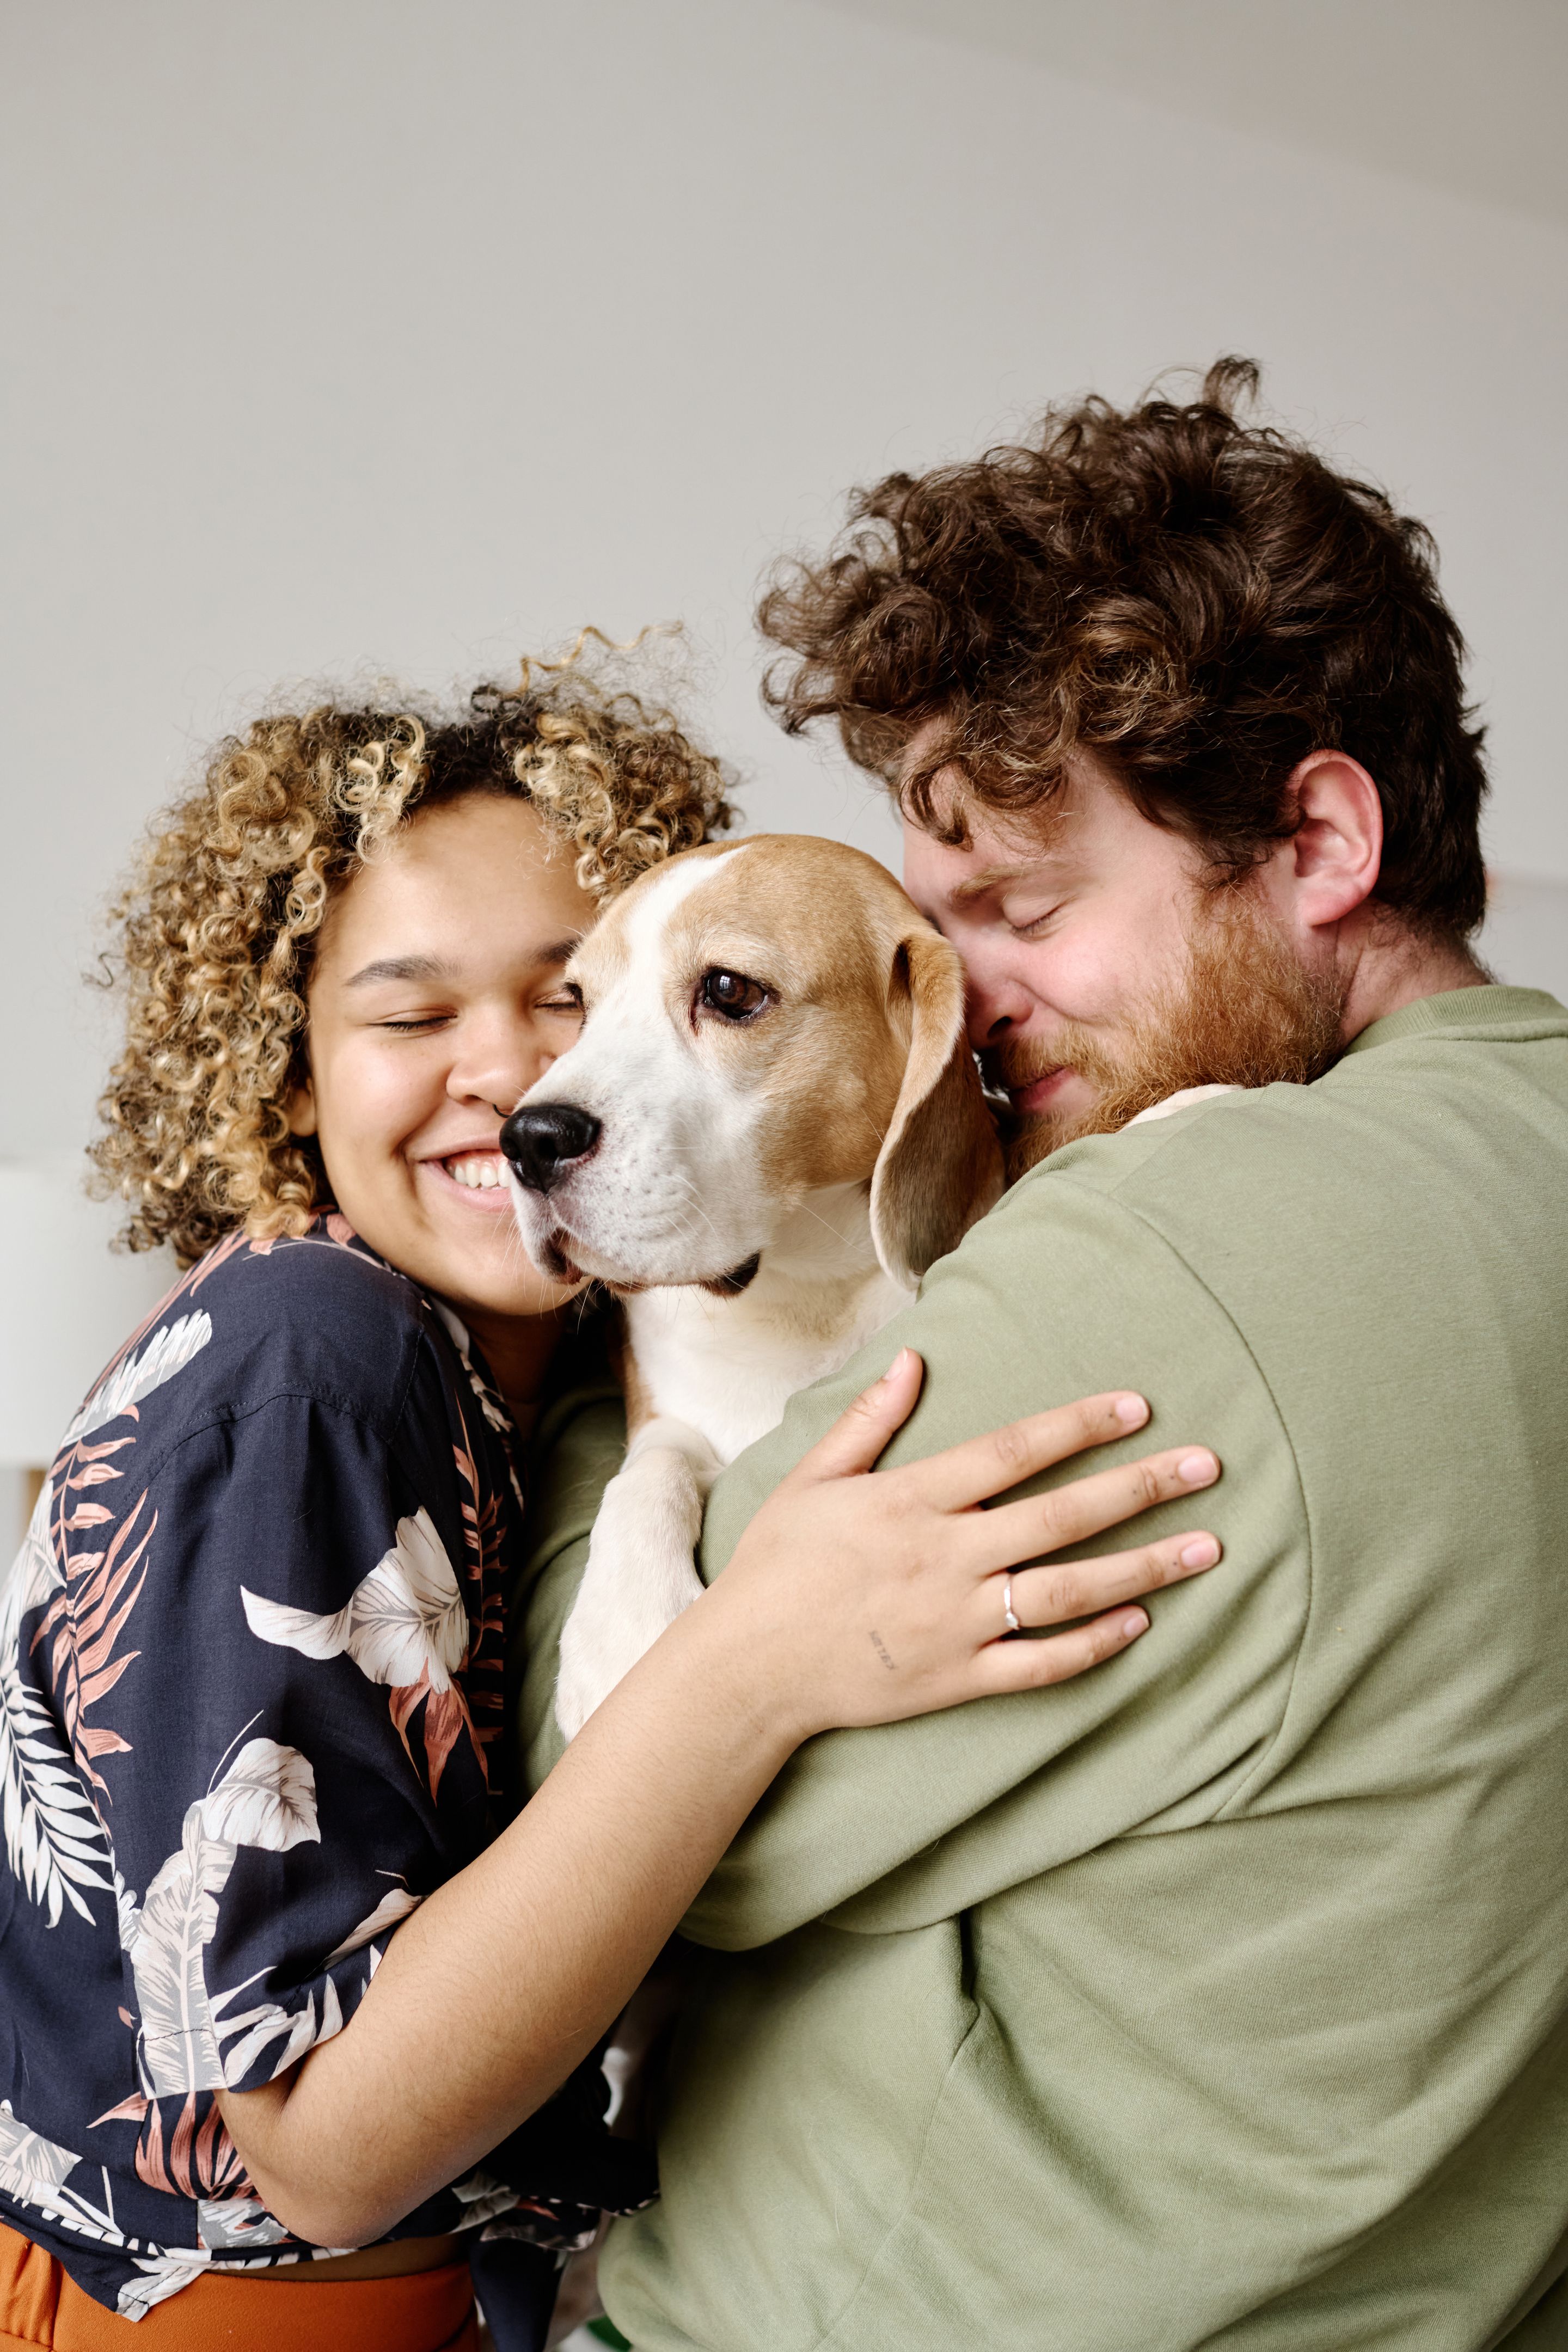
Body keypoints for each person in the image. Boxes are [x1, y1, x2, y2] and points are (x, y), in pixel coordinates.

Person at [517, 362, 1568, 2350]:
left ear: (1318, 838)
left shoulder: (1190, 1232)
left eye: (1022, 908)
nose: (965, 1005)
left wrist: (599, 1408)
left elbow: (613, 1826)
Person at [0, 666, 1222, 2352]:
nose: (525, 1083)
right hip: (228, 2311)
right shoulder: (308, 1358)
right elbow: (319, 2154)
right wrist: (760, 1654)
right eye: (412, 1018)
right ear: (286, 1074)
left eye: (575, 1002)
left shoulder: (553, 1360)